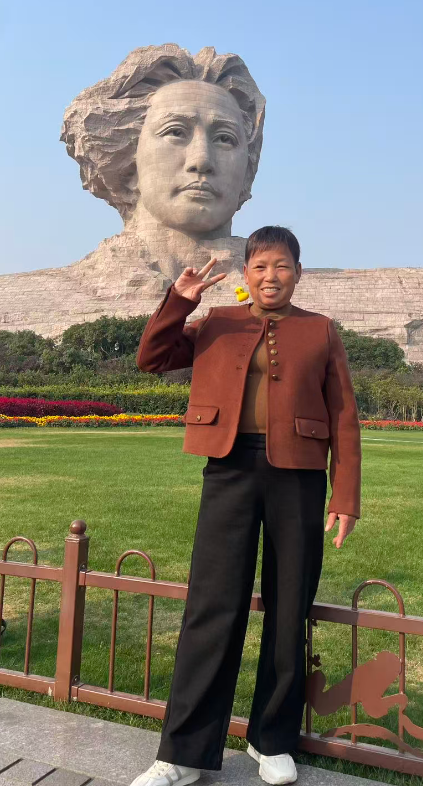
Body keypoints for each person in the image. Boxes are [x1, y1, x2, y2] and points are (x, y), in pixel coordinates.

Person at [132, 226, 361, 786]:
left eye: (281, 266)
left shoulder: (320, 330)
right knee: (212, 607)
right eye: (259, 267)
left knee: (289, 607)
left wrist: (345, 496)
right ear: (246, 274)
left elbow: (344, 416)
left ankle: (272, 740)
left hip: (298, 477)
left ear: (298, 273)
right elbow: (152, 357)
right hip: (229, 470)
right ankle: (183, 754)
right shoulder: (218, 322)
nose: (270, 277)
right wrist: (180, 300)